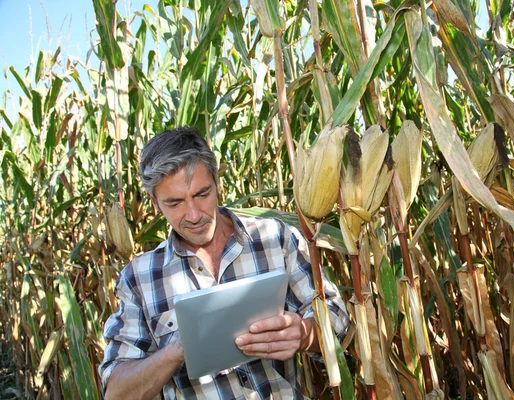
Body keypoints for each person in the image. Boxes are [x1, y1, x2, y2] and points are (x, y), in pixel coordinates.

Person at [99, 127, 349, 399]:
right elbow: (116, 392)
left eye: (202, 194)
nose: (193, 215)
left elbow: (337, 317)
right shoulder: (139, 278)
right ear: (155, 202)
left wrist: (304, 333)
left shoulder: (273, 238)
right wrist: (179, 350)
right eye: (175, 203)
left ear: (218, 183)